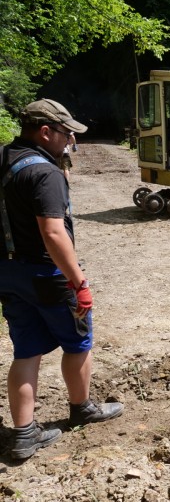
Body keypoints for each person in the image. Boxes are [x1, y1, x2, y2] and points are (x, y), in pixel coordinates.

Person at [0, 99, 124, 460]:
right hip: (46, 273)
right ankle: (82, 407)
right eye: (66, 132)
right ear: (44, 132)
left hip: (7, 273)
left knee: (26, 350)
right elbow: (53, 233)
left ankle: (24, 435)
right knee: (78, 341)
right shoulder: (43, 173)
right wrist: (79, 282)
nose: (71, 139)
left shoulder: (4, 158)